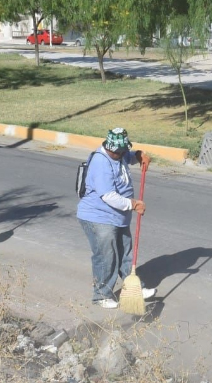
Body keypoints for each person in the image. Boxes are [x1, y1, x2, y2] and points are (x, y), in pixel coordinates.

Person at [77, 128, 155, 309]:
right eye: (118, 152)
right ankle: (101, 295)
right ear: (109, 148)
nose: (121, 154)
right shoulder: (101, 162)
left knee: (125, 252)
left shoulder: (119, 154)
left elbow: (129, 157)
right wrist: (134, 204)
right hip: (98, 217)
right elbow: (108, 196)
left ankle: (134, 289)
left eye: (123, 151)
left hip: (117, 216)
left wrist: (139, 155)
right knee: (106, 256)